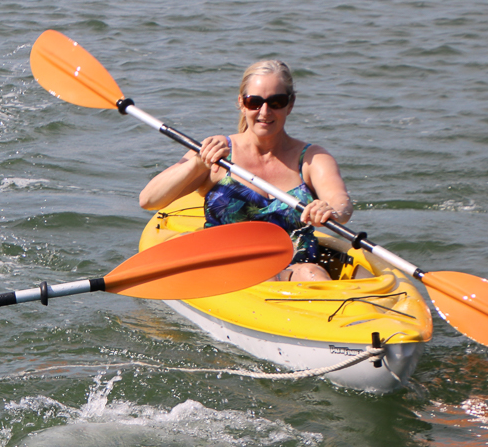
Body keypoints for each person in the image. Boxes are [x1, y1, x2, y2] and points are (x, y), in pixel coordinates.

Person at [138, 59, 353, 281]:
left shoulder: (312, 158)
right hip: (228, 264)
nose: (265, 111)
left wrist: (330, 211)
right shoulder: (218, 152)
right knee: (261, 275)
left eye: (276, 102)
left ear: (290, 104)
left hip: (295, 269)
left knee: (312, 273)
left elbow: (341, 203)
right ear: (242, 103)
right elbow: (148, 200)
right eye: (255, 102)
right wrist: (198, 163)